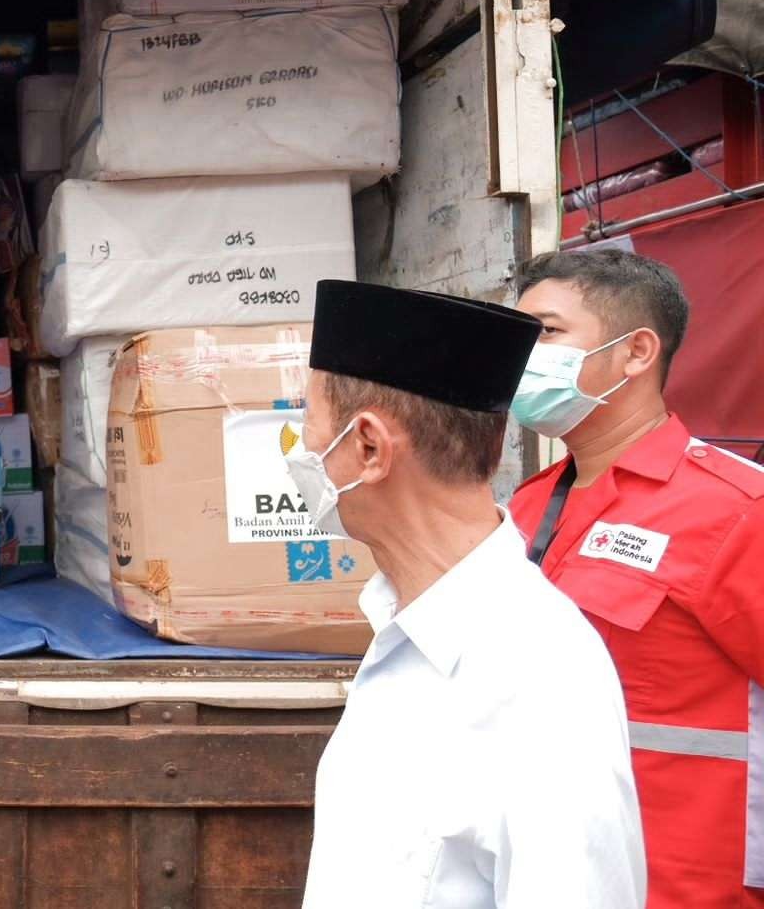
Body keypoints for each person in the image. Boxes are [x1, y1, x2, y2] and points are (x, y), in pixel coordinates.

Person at [296, 279, 644, 909]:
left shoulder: (538, 678)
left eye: (308, 424)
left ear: (369, 447)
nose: (301, 451)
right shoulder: (407, 629)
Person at [509, 248, 764, 909]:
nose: (520, 354)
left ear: (637, 352)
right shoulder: (527, 510)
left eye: (545, 332)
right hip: (549, 875)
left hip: (686, 885)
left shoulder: (735, 513)